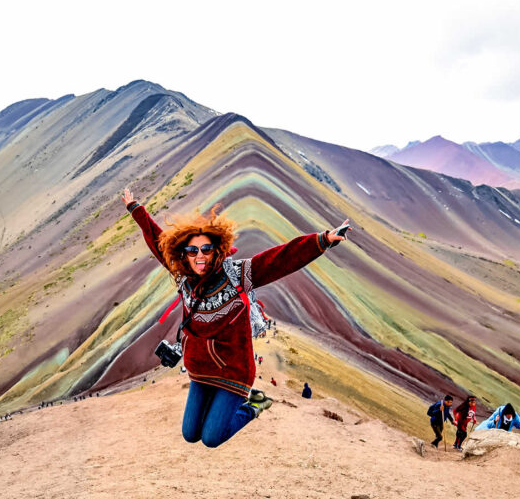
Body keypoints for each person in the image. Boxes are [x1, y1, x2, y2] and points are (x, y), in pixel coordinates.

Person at [122, 188, 349, 448]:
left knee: (211, 438)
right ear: (183, 253)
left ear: (216, 249)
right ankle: (222, 408)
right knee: (190, 434)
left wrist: (323, 240)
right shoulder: (183, 276)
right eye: (192, 250)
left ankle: (254, 405)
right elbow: (157, 240)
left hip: (233, 371)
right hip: (200, 369)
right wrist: (136, 210)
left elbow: (281, 259)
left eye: (206, 249)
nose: (199, 256)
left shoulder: (239, 274)